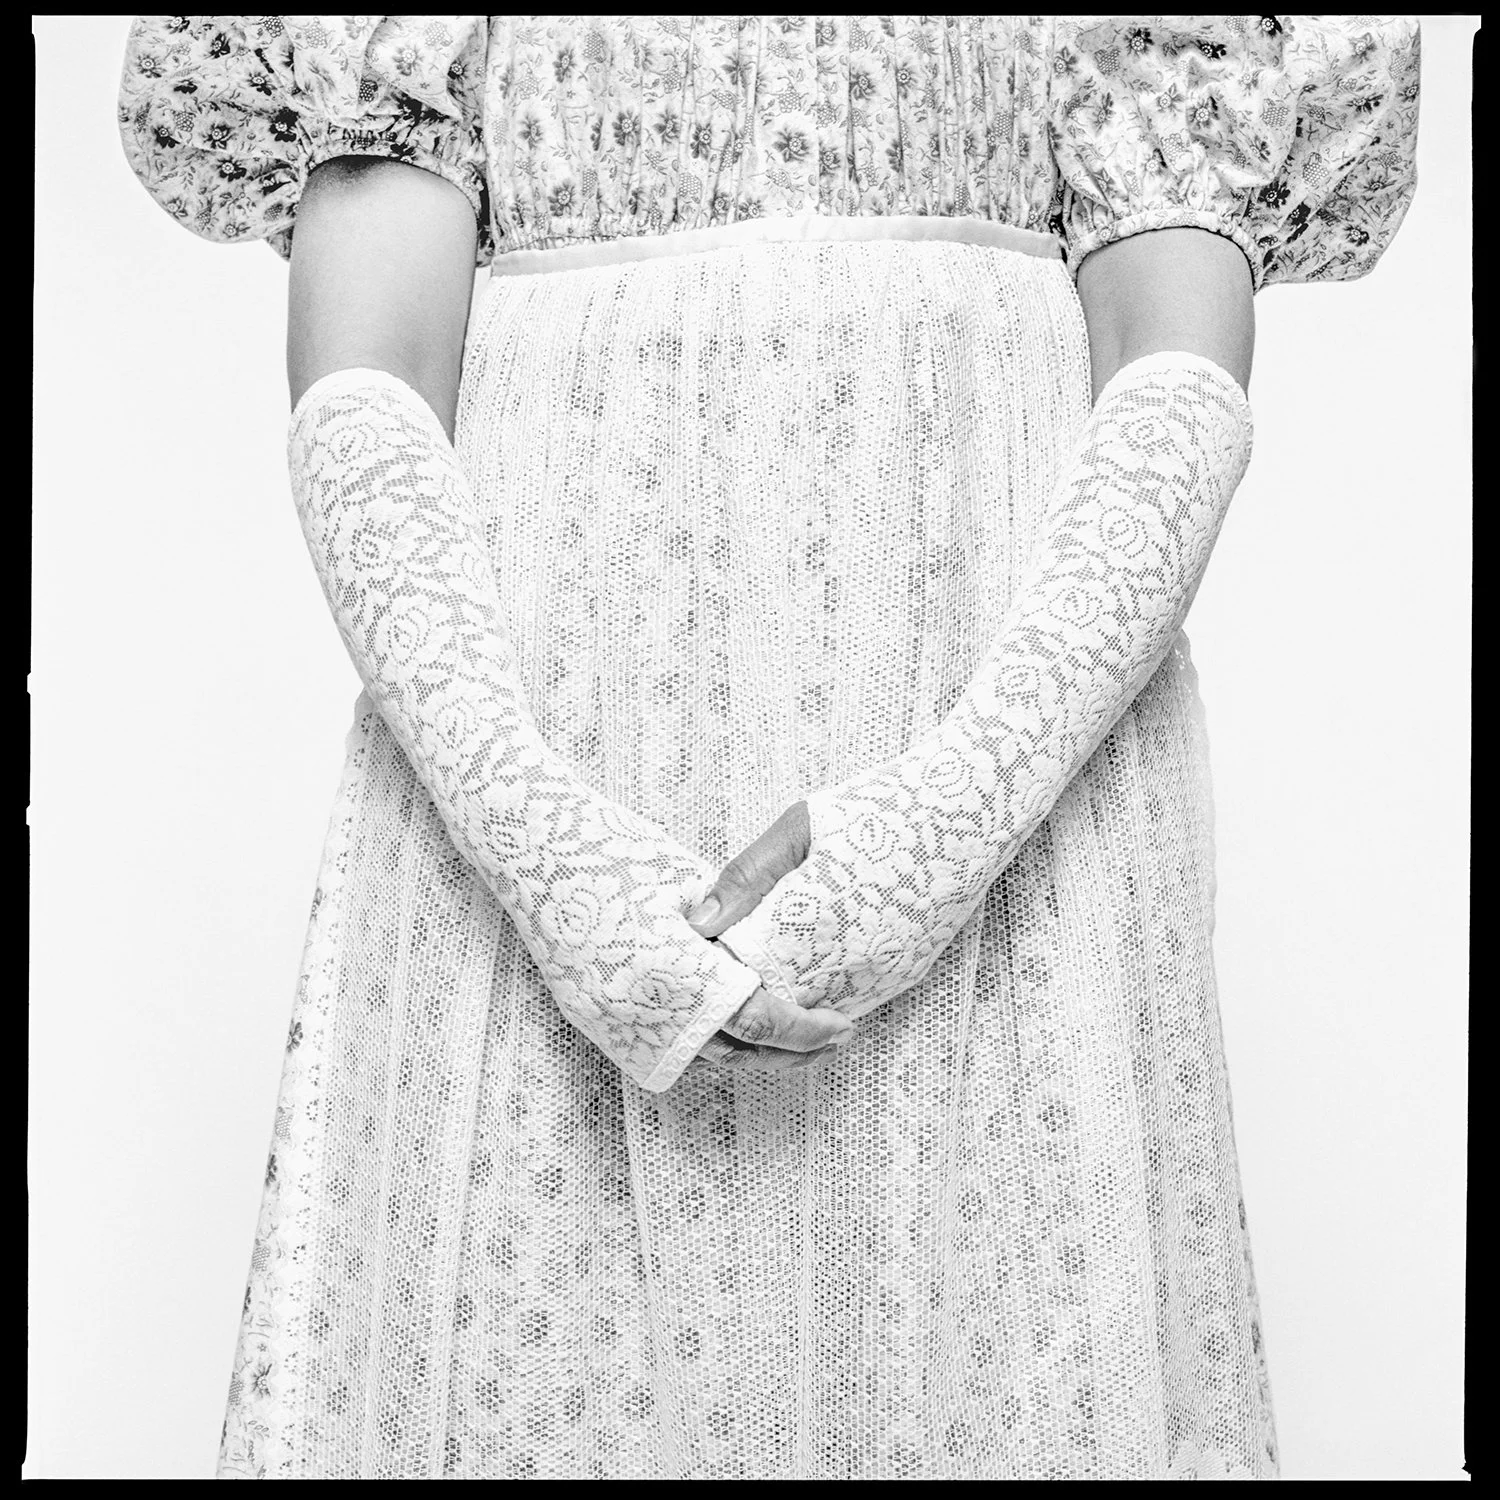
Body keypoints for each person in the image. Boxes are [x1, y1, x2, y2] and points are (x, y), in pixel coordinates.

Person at [119, 16, 1420, 1481]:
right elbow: (368, 395)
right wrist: (557, 856)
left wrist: (939, 825)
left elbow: (1176, 379)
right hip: (541, 775)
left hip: (1010, 801)